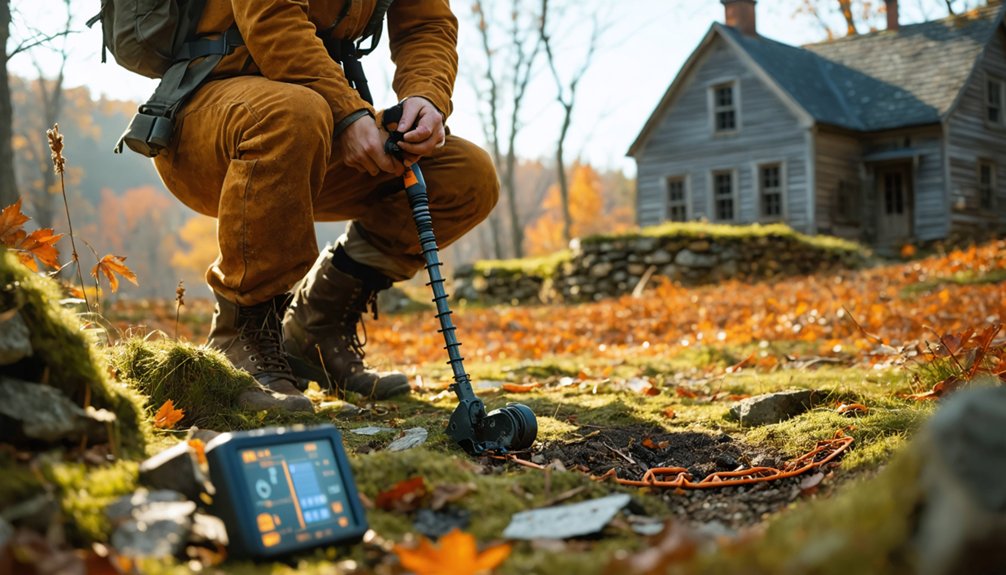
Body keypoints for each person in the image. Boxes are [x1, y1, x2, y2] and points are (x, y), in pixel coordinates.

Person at [152, 1, 499, 413]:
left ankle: (317, 329)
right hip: (205, 122)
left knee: (466, 175)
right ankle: (239, 335)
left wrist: (427, 95)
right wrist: (347, 112)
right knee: (294, 112)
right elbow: (271, 17)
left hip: (319, 121)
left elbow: (427, 24)